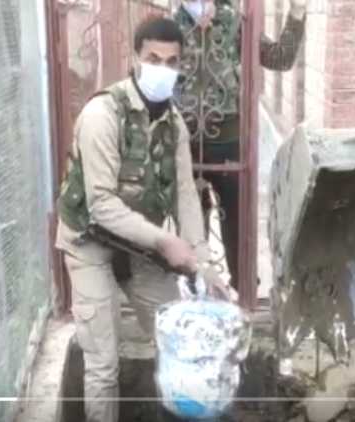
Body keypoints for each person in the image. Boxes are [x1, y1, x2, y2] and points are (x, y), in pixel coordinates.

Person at [55, 17, 212, 422]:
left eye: (172, 61)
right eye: (153, 58)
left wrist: (200, 255)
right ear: (135, 58)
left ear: (181, 66)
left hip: (136, 243)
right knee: (103, 365)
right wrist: (165, 242)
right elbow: (101, 206)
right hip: (88, 242)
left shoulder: (173, 124)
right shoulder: (102, 114)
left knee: (177, 338)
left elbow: (185, 193)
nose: (163, 68)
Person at [173, 0, 308, 290]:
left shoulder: (235, 20)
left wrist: (296, 14)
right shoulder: (172, 23)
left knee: (236, 224)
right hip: (184, 142)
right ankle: (197, 291)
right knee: (191, 225)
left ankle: (242, 293)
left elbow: (279, 58)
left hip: (228, 141)